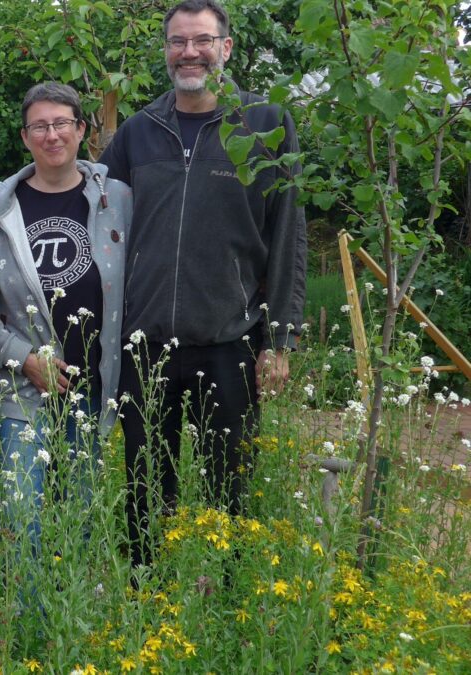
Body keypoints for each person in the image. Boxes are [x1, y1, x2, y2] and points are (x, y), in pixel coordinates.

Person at [98, 0, 306, 567]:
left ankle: (225, 599)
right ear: (165, 50)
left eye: (202, 40)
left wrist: (280, 340)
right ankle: (146, 594)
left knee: (229, 487)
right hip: (146, 347)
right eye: (178, 41)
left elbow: (288, 233)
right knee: (144, 487)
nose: (189, 51)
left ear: (226, 48)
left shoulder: (265, 124)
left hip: (229, 340)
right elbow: (97, 222)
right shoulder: (139, 133)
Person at [0, 82, 130, 549]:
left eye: (62, 124)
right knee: (21, 517)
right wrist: (23, 356)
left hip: (91, 391)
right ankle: (26, 620)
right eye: (39, 126)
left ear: (81, 130)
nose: (52, 135)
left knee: (78, 522)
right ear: (25, 137)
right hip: (22, 391)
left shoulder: (120, 201)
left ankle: (69, 621)